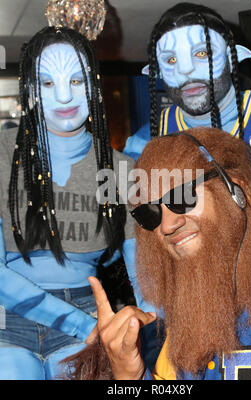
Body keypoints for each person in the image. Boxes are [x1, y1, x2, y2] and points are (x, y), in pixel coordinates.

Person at [83, 127, 251, 380]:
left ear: (237, 191)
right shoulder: (190, 297)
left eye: (183, 196)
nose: (167, 225)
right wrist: (129, 375)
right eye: (150, 213)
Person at [0, 26, 154, 380]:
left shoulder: (122, 170)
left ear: (94, 86)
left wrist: (143, 323)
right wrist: (81, 324)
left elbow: (142, 276)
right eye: (49, 83)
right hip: (11, 320)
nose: (66, 96)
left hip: (89, 314)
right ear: (31, 90)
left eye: (77, 80)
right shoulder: (3, 156)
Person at [123, 2, 251, 229]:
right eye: (171, 60)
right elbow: (133, 236)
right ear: (157, 72)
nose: (185, 70)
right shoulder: (142, 146)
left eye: (202, 52)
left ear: (232, 57)